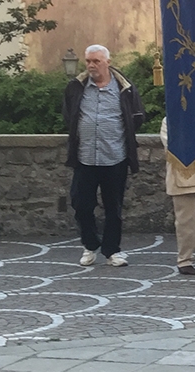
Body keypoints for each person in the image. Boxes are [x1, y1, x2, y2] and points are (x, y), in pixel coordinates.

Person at [64, 44, 145, 268]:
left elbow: (137, 117)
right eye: (88, 61)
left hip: (114, 157)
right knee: (82, 205)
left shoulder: (125, 89)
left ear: (107, 62)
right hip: (85, 157)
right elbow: (69, 115)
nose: (91, 65)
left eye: (96, 61)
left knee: (114, 207)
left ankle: (112, 250)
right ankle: (90, 245)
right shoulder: (76, 87)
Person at [160, 95, 195, 275]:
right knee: (186, 221)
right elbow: (174, 146)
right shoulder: (170, 121)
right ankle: (184, 259)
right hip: (185, 178)